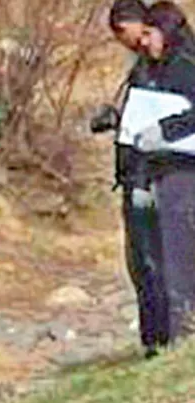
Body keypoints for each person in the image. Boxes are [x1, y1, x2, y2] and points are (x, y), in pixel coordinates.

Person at [94, 0, 172, 359]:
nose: (126, 43)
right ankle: (153, 337)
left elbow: (159, 122)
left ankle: (161, 338)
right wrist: (116, 117)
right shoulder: (145, 66)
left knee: (152, 261)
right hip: (136, 175)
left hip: (151, 176)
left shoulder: (169, 64)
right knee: (141, 263)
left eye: (122, 34)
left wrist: (142, 180)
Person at [129, 1, 195, 343]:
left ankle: (185, 329)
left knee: (181, 254)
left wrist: (166, 130)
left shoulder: (185, 66)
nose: (144, 42)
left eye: (150, 33)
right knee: (163, 255)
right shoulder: (153, 69)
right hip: (161, 170)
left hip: (185, 170)